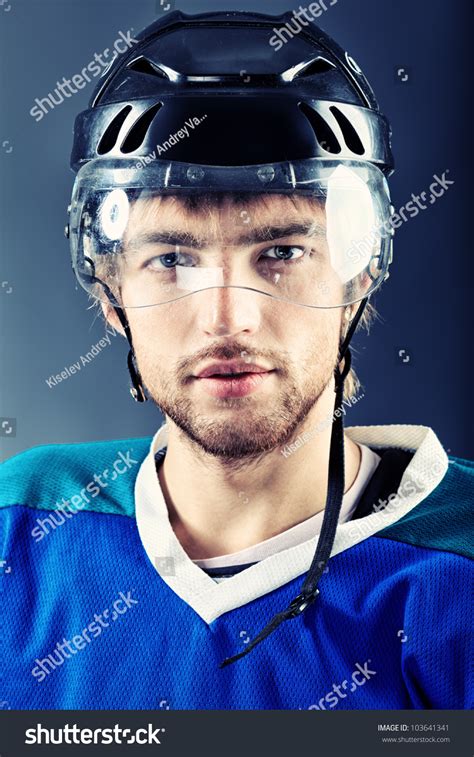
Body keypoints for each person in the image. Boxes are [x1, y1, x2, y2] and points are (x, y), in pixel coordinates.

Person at [1, 10, 472, 710]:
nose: (227, 317)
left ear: (358, 275)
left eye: (281, 253)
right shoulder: (22, 521)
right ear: (111, 292)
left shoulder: (454, 574)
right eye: (171, 258)